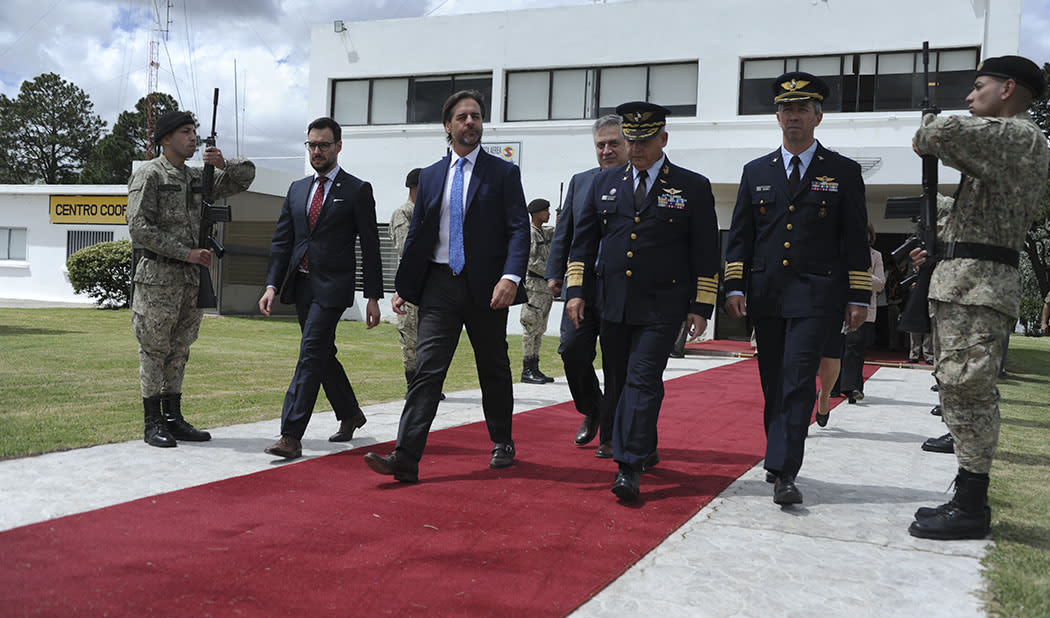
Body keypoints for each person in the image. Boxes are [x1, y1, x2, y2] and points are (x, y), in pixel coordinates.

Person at [907, 56, 1048, 540]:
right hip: (966, 283)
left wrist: (926, 128)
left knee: (969, 391)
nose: (970, 96)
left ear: (1008, 88)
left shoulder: (1021, 137)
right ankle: (965, 497)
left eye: (978, 86)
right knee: (958, 388)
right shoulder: (1006, 146)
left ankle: (971, 504)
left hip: (979, 288)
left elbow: (942, 134)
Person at [363, 90, 530, 482]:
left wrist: (511, 277)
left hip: (487, 288)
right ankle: (405, 456)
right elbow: (421, 235)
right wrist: (407, 284)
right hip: (439, 285)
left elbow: (519, 229)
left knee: (493, 367)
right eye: (462, 117)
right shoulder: (432, 175)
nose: (470, 122)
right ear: (448, 125)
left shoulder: (503, 173)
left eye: (475, 116)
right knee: (427, 371)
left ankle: (502, 441)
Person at [724, 72, 871, 505]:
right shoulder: (756, 172)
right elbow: (740, 237)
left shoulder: (842, 171)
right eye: (786, 109)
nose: (793, 116)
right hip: (767, 295)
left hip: (817, 295)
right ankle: (779, 453)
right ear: (777, 117)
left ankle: (786, 469)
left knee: (797, 380)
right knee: (773, 381)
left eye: (802, 109)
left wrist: (858, 295)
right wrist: (734, 285)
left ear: (817, 117)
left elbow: (854, 239)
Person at [565, 102, 720, 502]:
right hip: (611, 302)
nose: (635, 148)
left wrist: (701, 306)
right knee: (619, 382)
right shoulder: (604, 183)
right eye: (631, 139)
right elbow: (583, 242)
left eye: (645, 140)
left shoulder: (691, 186)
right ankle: (644, 444)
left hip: (662, 305)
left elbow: (705, 250)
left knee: (643, 378)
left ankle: (628, 465)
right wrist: (577, 291)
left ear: (663, 140)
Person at [127, 110, 255, 448]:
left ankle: (173, 417)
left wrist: (224, 162)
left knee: (180, 349)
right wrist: (186, 253)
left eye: (194, 132)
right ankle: (152, 422)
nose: (193, 138)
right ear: (166, 139)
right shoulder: (149, 175)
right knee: (154, 349)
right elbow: (139, 227)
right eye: (185, 132)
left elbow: (244, 178)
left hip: (190, 279)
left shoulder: (199, 176)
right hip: (158, 279)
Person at [258, 117, 383, 459]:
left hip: (333, 288)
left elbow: (371, 247)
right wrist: (271, 285)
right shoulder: (298, 189)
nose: (317, 151)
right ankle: (351, 413)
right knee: (323, 355)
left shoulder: (357, 190)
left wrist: (373, 297)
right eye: (312, 145)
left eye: (324, 145)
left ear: (338, 147)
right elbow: (282, 242)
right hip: (301, 286)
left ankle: (290, 435)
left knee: (310, 354)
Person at [546, 114, 628, 457]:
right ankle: (593, 408)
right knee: (572, 350)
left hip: (621, 290)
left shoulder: (636, 182)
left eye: (614, 143)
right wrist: (554, 273)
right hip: (581, 287)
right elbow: (565, 232)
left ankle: (610, 435)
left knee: (615, 363)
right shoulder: (581, 181)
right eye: (601, 144)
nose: (607, 150)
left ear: (628, 145)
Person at [840, 223, 886, 403]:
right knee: (838, 347)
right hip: (840, 307)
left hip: (863, 307)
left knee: (855, 347)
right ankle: (835, 386)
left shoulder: (876, 256)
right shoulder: (842, 250)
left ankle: (852, 387)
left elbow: (880, 283)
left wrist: (860, 276)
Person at [390, 168, 423, 390]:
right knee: (410, 339)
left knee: (428, 340)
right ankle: (413, 385)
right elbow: (406, 249)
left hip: (429, 286)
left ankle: (426, 384)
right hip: (411, 286)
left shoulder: (428, 212)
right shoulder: (404, 213)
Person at [520, 198, 556, 384]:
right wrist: (551, 271)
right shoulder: (530, 234)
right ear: (535, 213)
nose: (548, 214)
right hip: (534, 287)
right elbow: (531, 261)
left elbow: (558, 232)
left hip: (544, 289)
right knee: (530, 328)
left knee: (540, 329)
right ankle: (527, 369)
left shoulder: (544, 232)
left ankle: (535, 367)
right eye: (545, 210)